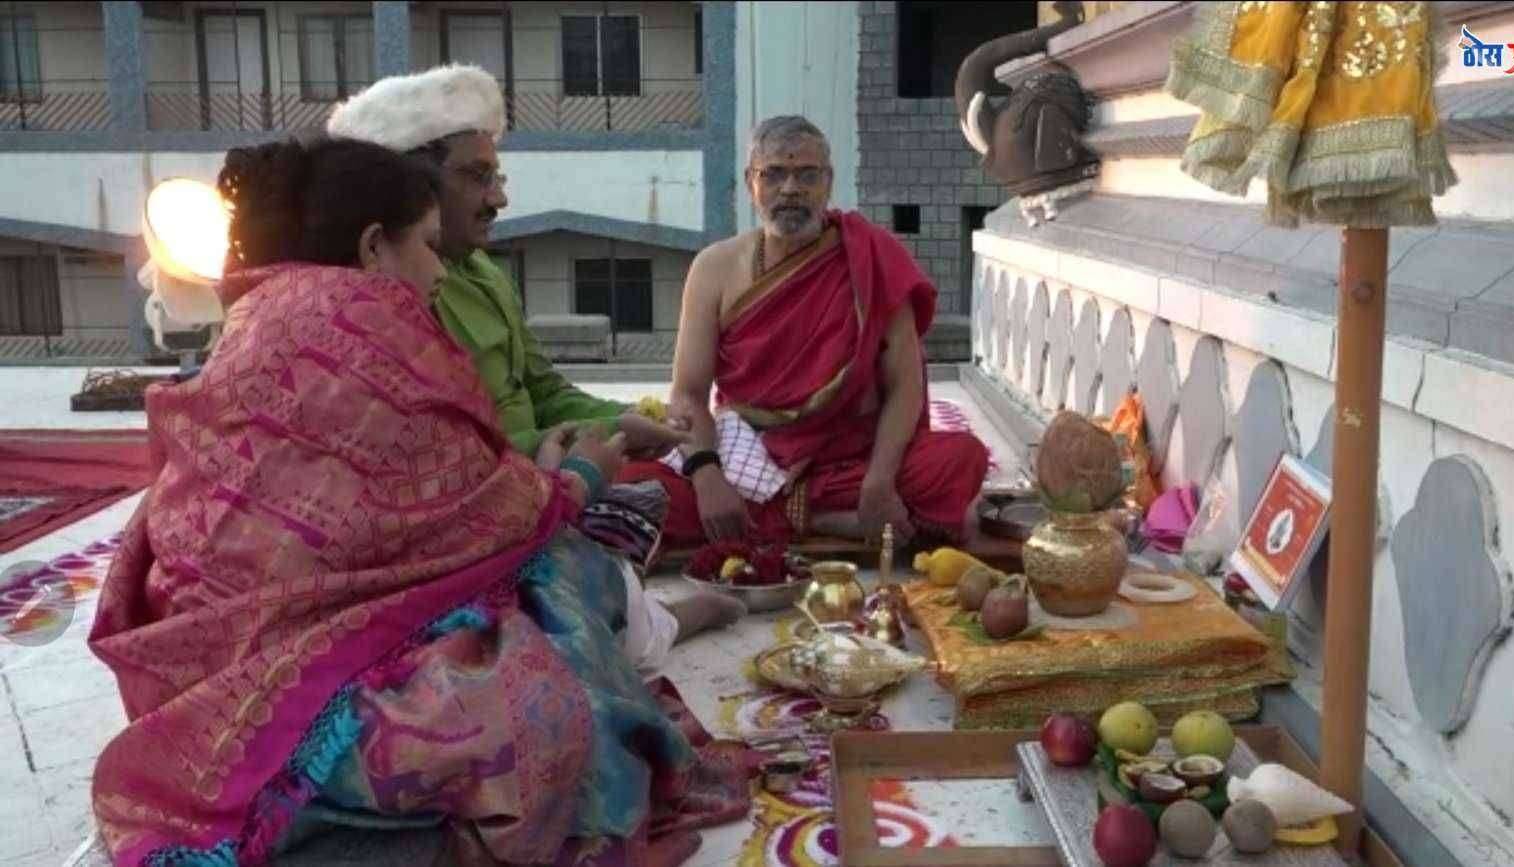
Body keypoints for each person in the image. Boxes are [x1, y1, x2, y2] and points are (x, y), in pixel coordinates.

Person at [88, 137, 750, 867]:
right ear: (375, 246)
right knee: (555, 657)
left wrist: (578, 459)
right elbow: (479, 521)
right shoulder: (368, 323)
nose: (442, 266)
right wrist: (577, 482)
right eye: (429, 244)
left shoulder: (265, 305)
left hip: (215, 671)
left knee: (576, 562)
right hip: (301, 666)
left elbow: (434, 499)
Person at [619, 116, 990, 547]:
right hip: (749, 450)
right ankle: (822, 518)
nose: (791, 188)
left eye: (807, 175)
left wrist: (879, 480)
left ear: (828, 182)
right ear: (750, 182)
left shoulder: (871, 254)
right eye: (774, 173)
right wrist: (706, 476)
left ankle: (795, 515)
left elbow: (905, 384)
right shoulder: (713, 268)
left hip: (850, 455)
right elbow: (687, 394)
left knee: (961, 458)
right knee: (629, 487)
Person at [325, 63, 688, 463]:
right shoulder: (387, 298)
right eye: (478, 177)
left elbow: (544, 392)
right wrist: (606, 433)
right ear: (415, 186)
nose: (499, 200)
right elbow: (444, 459)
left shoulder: (486, 272)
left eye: (498, 177)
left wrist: (626, 415)